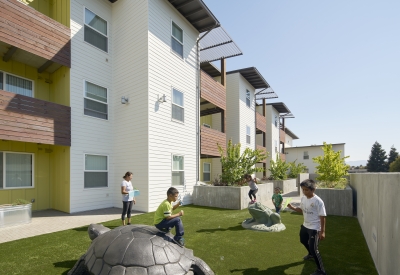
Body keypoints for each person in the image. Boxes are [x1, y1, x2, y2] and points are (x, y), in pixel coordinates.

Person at [287, 179, 327, 275]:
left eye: (306, 190)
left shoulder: (318, 201)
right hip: (305, 225)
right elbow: (301, 210)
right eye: (303, 189)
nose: (304, 192)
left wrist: (322, 231)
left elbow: (323, 216)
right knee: (303, 240)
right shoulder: (303, 198)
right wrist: (292, 207)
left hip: (314, 228)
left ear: (313, 190)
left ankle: (321, 271)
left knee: (315, 249)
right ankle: (310, 254)